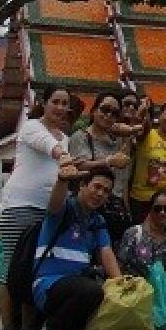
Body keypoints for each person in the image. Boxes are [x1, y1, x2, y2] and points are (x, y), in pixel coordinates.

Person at [0, 86, 72, 330]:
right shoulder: (31, 127)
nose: (61, 108)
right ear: (44, 103)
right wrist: (61, 154)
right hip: (19, 205)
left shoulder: (64, 137)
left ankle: (29, 328)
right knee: (11, 268)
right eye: (56, 102)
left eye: (65, 103)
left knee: (34, 268)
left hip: (46, 210)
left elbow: (66, 163)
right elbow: (47, 145)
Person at [31, 162, 123, 330]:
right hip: (48, 285)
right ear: (82, 185)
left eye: (106, 191)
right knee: (92, 291)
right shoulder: (65, 209)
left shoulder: (97, 221)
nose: (100, 194)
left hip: (76, 285)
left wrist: (121, 283)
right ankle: (51, 329)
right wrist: (62, 180)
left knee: (107, 290)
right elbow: (54, 204)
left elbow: (106, 252)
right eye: (96, 187)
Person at [68, 91, 133, 242]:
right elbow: (79, 165)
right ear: (93, 111)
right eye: (104, 109)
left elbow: (122, 183)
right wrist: (109, 161)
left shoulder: (117, 142)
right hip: (87, 207)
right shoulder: (81, 137)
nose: (108, 115)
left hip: (113, 208)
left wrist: (128, 130)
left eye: (114, 113)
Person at [116, 190, 166, 277]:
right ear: (150, 210)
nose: (162, 212)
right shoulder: (134, 233)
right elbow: (119, 265)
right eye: (157, 208)